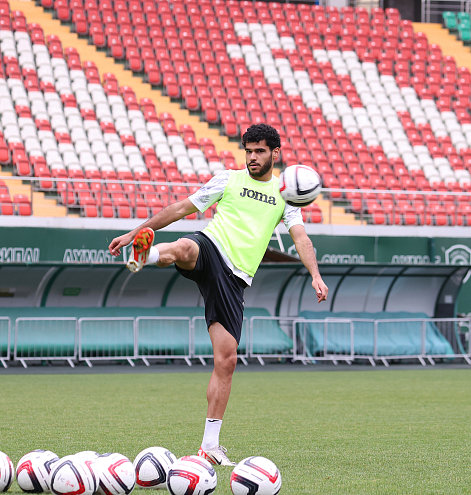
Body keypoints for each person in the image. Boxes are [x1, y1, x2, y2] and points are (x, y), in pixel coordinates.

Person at [108, 124, 328, 466]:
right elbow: (180, 208)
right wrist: (135, 232)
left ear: (275, 153)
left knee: (227, 360)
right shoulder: (228, 179)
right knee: (184, 247)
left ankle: (209, 446)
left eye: (259, 151)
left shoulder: (285, 195)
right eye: (248, 151)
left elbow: (301, 238)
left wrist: (315, 275)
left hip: (235, 278)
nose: (252, 157)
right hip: (211, 246)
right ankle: (145, 253)